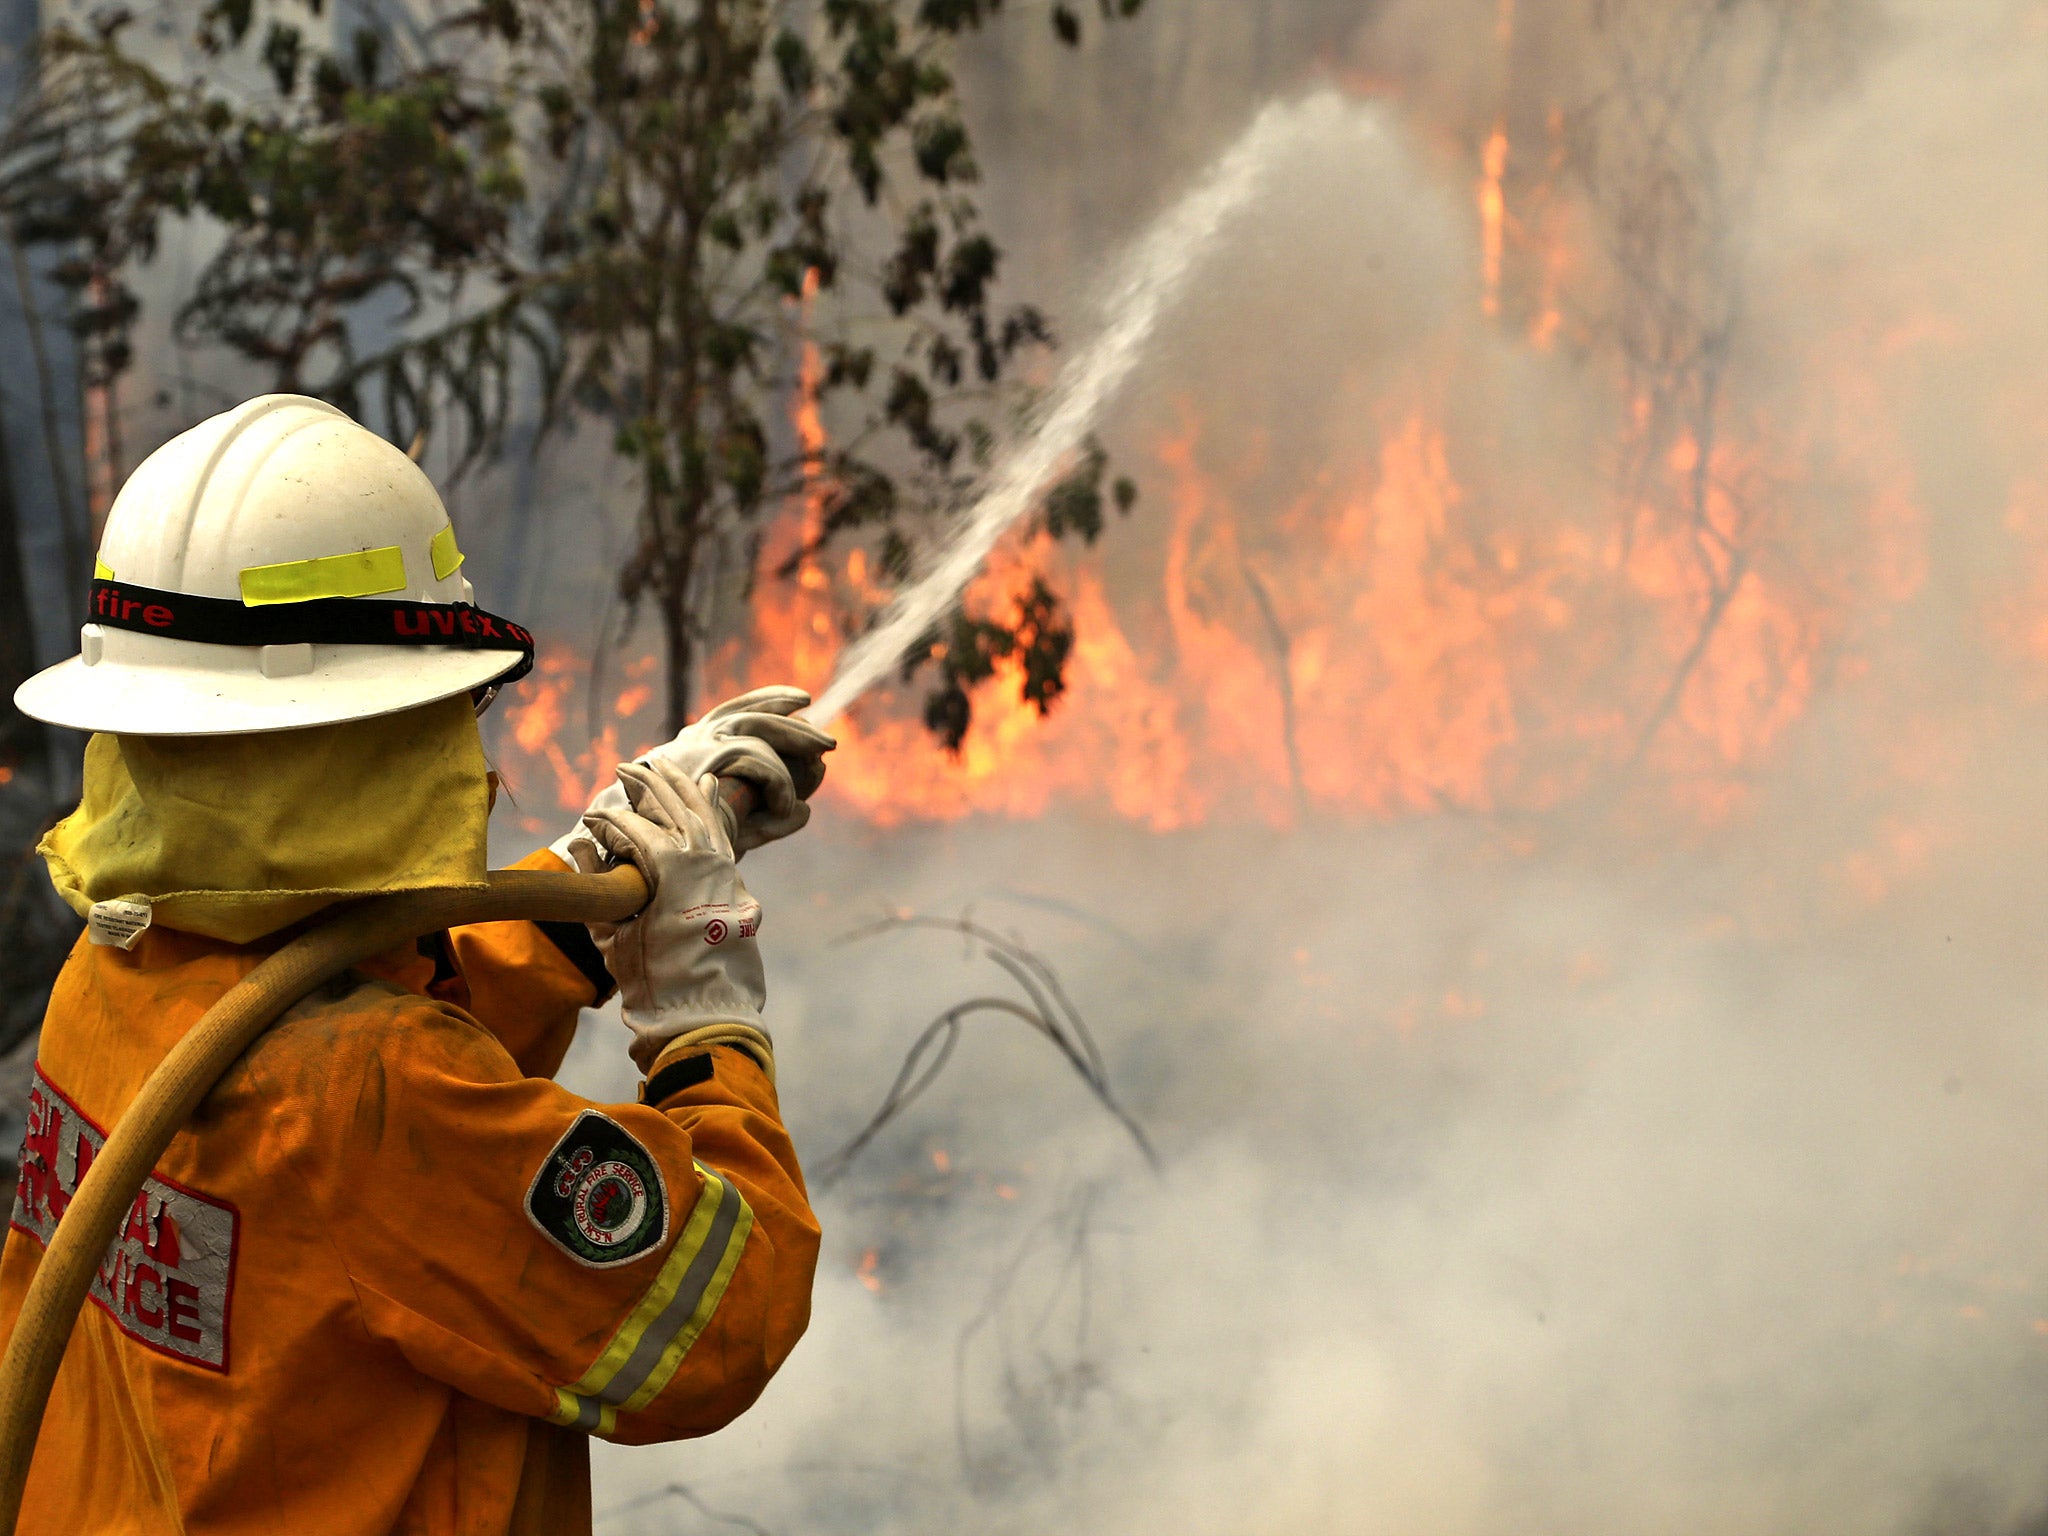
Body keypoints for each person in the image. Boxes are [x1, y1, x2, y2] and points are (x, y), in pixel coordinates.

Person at [1, 394, 833, 1534]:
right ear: (388, 726)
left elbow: (340, 1017)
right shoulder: (371, 1098)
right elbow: (718, 1317)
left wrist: (593, 876)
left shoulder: (110, 979)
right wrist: (703, 1013)